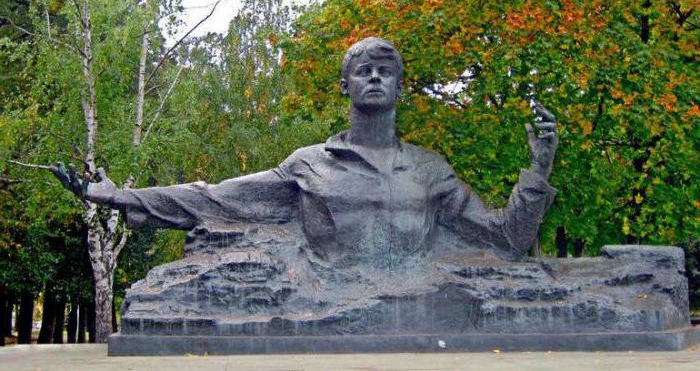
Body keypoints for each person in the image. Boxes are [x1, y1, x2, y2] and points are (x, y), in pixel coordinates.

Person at [52, 37, 558, 265]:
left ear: (402, 89)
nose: (376, 76)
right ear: (345, 86)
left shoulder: (429, 169)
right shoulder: (309, 165)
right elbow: (214, 200)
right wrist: (120, 197)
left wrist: (539, 168)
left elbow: (505, 240)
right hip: (321, 302)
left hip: (424, 306)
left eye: (387, 70)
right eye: (364, 70)